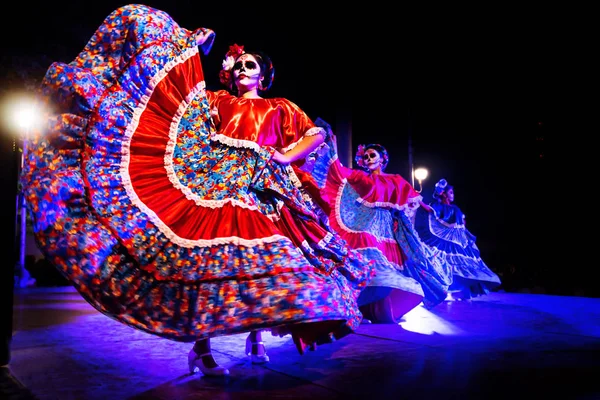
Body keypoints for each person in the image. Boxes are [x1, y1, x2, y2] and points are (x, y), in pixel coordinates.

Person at [20, 4, 374, 377]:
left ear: (265, 76)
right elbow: (176, 99)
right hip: (219, 182)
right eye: (238, 65)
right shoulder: (217, 101)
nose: (242, 69)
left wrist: (286, 157)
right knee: (212, 262)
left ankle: (255, 335)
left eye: (250, 65)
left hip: (264, 188)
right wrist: (190, 46)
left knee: (261, 262)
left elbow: (314, 134)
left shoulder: (279, 107)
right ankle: (202, 349)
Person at [299, 120, 453, 323]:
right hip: (364, 224)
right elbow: (337, 172)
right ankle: (359, 308)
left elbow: (415, 202)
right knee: (367, 259)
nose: (369, 158)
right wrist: (332, 148)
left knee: (388, 270)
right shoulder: (360, 177)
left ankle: (380, 311)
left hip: (388, 229)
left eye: (373, 155)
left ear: (382, 159)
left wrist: (431, 211)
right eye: (366, 156)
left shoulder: (396, 179)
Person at [414, 178, 501, 300]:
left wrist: (464, 235)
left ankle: (465, 289)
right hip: (444, 237)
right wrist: (418, 199)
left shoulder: (456, 209)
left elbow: (462, 224)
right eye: (450, 193)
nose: (452, 195)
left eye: (452, 193)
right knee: (443, 262)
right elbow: (430, 210)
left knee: (466, 262)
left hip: (459, 239)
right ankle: (440, 288)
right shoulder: (438, 206)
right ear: (443, 194)